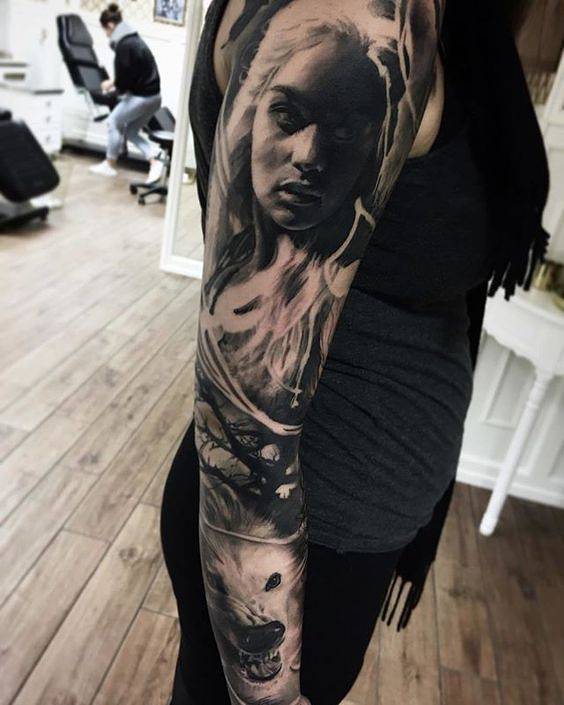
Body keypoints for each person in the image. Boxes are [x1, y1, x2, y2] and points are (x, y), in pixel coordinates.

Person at [160, 1, 549, 704]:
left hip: (340, 526)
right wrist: (268, 693)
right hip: (294, 542)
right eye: (291, 117)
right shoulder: (355, 11)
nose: (312, 154)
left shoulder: (442, 23)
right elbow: (242, 424)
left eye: (342, 129)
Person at [89, 3, 163, 181]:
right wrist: (117, 85)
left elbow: (124, 80)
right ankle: (155, 158)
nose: (106, 35)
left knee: (113, 121)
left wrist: (112, 86)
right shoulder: (134, 40)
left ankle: (109, 165)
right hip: (155, 97)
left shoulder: (124, 45)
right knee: (131, 131)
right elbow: (133, 73)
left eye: (105, 31)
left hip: (143, 97)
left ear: (110, 26)